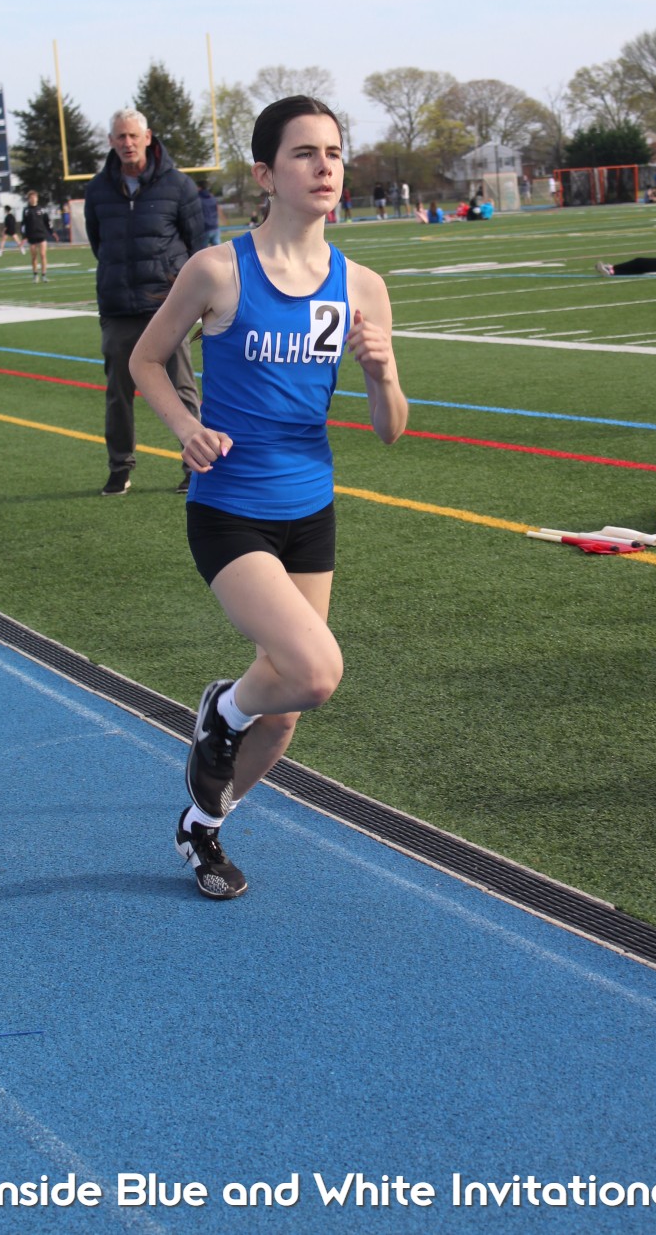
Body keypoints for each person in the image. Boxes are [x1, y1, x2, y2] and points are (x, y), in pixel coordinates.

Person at [129, 95, 408, 899]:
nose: (325, 167)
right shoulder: (218, 270)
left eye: (334, 153)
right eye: (304, 153)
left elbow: (391, 429)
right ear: (265, 174)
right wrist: (185, 427)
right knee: (314, 672)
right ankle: (222, 709)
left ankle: (201, 827)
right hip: (229, 509)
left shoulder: (363, 286)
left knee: (284, 713)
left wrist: (380, 373)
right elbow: (146, 360)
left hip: (309, 512)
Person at [84, 107, 206, 497]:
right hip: (118, 306)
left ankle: (194, 466)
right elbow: (99, 244)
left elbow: (197, 246)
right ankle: (119, 467)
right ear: (110, 141)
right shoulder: (98, 190)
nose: (127, 143)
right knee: (118, 394)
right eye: (120, 136)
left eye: (133, 136)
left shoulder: (179, 186)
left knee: (182, 389)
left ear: (148, 137)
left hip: (167, 307)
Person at [21, 192, 53, 281]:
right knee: (34, 256)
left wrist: (52, 231)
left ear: (37, 198)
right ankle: (35, 275)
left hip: (41, 234)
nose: (33, 199)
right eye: (31, 197)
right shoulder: (26, 210)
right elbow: (23, 224)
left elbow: (48, 221)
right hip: (31, 236)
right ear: (29, 199)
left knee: (43, 255)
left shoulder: (42, 209)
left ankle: (44, 275)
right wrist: (24, 236)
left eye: (34, 197)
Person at [196, 179, 221, 246]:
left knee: (202, 250)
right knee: (218, 250)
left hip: (205, 228)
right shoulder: (212, 198)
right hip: (215, 227)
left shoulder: (198, 199)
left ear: (199, 187)